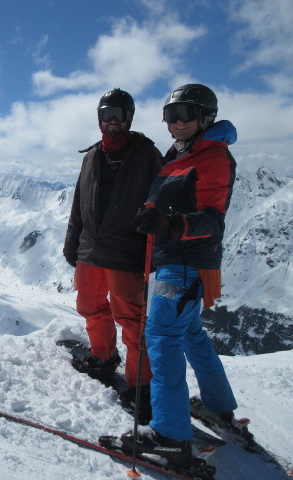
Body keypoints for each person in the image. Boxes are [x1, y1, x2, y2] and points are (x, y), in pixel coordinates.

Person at [121, 83, 239, 468]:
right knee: (190, 334)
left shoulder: (212, 157)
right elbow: (173, 201)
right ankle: (218, 406)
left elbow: (213, 219)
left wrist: (172, 225)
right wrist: (151, 212)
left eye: (186, 114)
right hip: (179, 260)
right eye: (171, 115)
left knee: (162, 338)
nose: (177, 122)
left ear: (205, 117)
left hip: (184, 264)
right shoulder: (183, 155)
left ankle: (170, 435)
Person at [63, 88, 163, 424]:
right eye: (107, 114)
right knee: (89, 307)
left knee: (133, 321)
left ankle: (141, 386)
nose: (113, 121)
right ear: (99, 118)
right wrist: (72, 242)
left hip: (126, 251)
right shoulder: (91, 156)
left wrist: (158, 242)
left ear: (129, 118)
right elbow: (79, 204)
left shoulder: (146, 154)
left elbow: (163, 201)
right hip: (91, 250)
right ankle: (102, 358)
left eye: (119, 115)